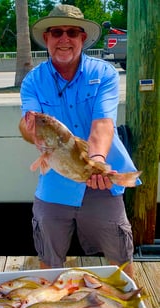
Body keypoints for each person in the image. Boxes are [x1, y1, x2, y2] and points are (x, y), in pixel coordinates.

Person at [19, 4, 141, 278]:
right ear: (46, 39)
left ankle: (128, 306)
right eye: (57, 32)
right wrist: (28, 129)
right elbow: (29, 128)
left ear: (82, 38)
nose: (65, 39)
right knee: (49, 257)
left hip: (101, 175)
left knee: (120, 257)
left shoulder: (105, 74)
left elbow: (103, 123)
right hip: (55, 183)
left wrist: (96, 160)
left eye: (72, 32)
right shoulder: (32, 82)